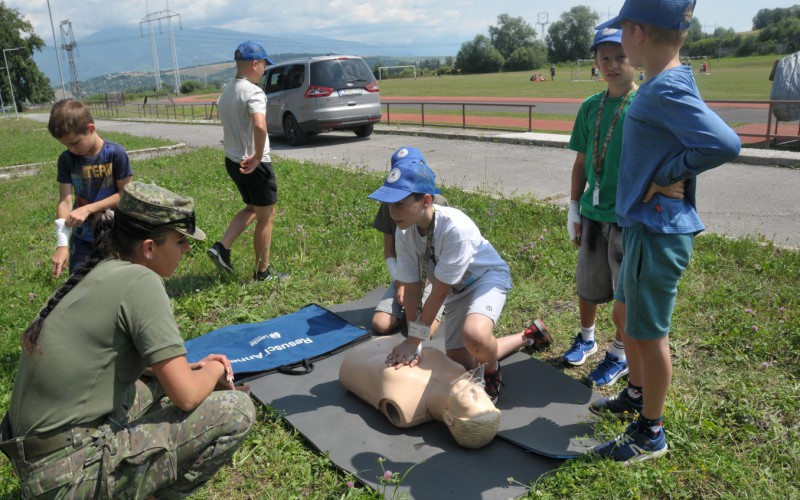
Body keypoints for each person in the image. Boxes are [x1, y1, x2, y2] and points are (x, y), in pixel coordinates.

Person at [1, 181, 256, 497]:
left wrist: (189, 369)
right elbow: (187, 397)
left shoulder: (97, 271)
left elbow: (118, 362)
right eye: (180, 241)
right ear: (149, 247)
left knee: (154, 385)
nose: (187, 249)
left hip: (37, 460)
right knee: (236, 409)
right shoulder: (142, 281)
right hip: (67, 473)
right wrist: (217, 369)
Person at [590, 0, 740, 463]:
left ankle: (650, 432)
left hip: (658, 229)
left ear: (635, 32)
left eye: (621, 34)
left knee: (650, 333)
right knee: (630, 318)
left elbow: (725, 143)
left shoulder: (665, 88)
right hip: (643, 224)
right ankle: (637, 395)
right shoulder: (663, 82)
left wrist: (669, 172)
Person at [367, 147, 546, 403]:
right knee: (464, 364)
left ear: (426, 201)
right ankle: (527, 336)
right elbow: (413, 288)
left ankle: (494, 372)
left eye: (400, 204)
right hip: (457, 289)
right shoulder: (404, 231)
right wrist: (413, 340)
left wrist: (414, 338)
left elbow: (438, 291)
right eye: (389, 204)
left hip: (485, 279)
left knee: (474, 335)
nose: (392, 212)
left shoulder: (454, 228)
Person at [564, 27, 637, 387]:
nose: (612, 65)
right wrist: (574, 207)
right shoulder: (591, 106)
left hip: (627, 217)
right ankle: (587, 336)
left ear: (634, 57)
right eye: (604, 58)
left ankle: (620, 353)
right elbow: (580, 162)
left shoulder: (642, 106)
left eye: (620, 56)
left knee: (624, 293)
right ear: (595, 62)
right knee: (588, 283)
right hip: (593, 214)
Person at [208, 40, 284, 281]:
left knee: (252, 208)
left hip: (233, 160)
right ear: (254, 64)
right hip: (254, 164)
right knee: (266, 217)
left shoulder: (227, 91)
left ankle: (222, 247)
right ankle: (263, 274)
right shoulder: (253, 92)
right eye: (263, 64)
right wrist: (258, 157)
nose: (264, 70)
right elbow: (260, 126)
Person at [339, 336, 501, 449]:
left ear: (449, 418)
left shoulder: (407, 409)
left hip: (356, 358)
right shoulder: (458, 372)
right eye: (484, 395)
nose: (476, 388)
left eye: (472, 398)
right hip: (395, 342)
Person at [48, 98, 132, 278]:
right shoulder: (67, 160)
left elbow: (125, 195)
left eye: (74, 142)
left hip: (115, 235)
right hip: (82, 238)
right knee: (78, 286)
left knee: (115, 283)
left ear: (91, 129)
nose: (70, 149)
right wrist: (62, 244)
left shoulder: (115, 154)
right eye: (65, 145)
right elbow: (65, 200)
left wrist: (88, 208)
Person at [371, 148, 448, 336]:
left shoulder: (439, 206)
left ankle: (441, 304)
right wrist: (400, 283)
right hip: (406, 274)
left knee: (425, 331)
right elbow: (389, 249)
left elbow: (444, 260)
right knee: (380, 324)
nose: (394, 211)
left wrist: (427, 286)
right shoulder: (390, 206)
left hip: (435, 276)